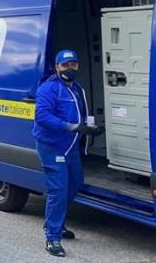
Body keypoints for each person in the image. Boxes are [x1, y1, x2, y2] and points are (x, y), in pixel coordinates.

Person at [33, 50, 104, 257]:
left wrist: (90, 129)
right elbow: (42, 116)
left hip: (70, 146)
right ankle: (52, 237)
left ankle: (58, 222)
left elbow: (81, 115)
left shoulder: (77, 89)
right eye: (65, 65)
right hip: (52, 145)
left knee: (75, 183)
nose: (70, 68)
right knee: (58, 189)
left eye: (73, 64)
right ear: (57, 67)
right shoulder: (49, 88)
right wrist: (71, 127)